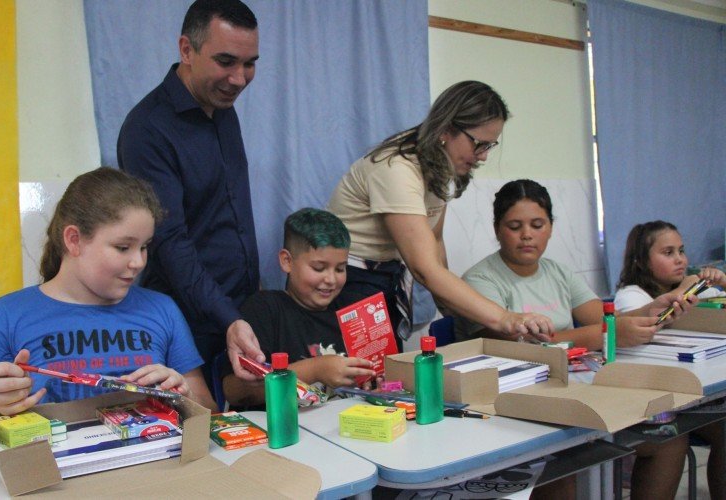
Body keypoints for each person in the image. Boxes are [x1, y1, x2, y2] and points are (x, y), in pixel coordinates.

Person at [458, 180, 695, 500]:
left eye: (537, 224)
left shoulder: (558, 272)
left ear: (551, 228)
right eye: (515, 226)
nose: (527, 234)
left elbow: (603, 317)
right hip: (518, 402)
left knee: (670, 440)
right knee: (564, 470)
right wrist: (604, 335)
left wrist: (653, 308)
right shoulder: (479, 280)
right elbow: (513, 347)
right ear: (498, 229)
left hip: (578, 388)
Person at [0, 168, 218, 456]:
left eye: (145, 247)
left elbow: (210, 412)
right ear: (74, 240)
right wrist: (1, 410)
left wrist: (183, 393)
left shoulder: (162, 309)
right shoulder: (6, 317)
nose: (138, 262)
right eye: (122, 247)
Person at [328, 81, 555, 345]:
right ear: (447, 129)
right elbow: (424, 268)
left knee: (384, 377)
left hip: (386, 277)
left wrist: (450, 304)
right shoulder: (397, 168)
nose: (482, 157)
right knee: (363, 377)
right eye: (479, 144)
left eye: (490, 146)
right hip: (348, 280)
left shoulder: (439, 165)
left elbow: (434, 239)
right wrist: (505, 318)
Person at [117, 0, 263, 383]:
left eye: (250, 63)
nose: (239, 78)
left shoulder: (222, 108)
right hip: (187, 322)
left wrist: (244, 310)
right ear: (186, 49)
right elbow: (169, 242)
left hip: (238, 312)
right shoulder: (147, 128)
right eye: (226, 61)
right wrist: (227, 316)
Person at [222, 208, 376, 408]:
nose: (331, 279)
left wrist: (373, 379)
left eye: (340, 268)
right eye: (319, 268)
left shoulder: (353, 309)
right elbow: (235, 391)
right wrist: (315, 370)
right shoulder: (264, 309)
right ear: (287, 261)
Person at [615, 220, 726, 499]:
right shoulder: (631, 296)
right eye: (668, 253)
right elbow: (646, 324)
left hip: (695, 395)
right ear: (641, 261)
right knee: (670, 441)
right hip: (655, 397)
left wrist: (723, 282)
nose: (679, 260)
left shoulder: (695, 290)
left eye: (681, 251)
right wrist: (688, 286)